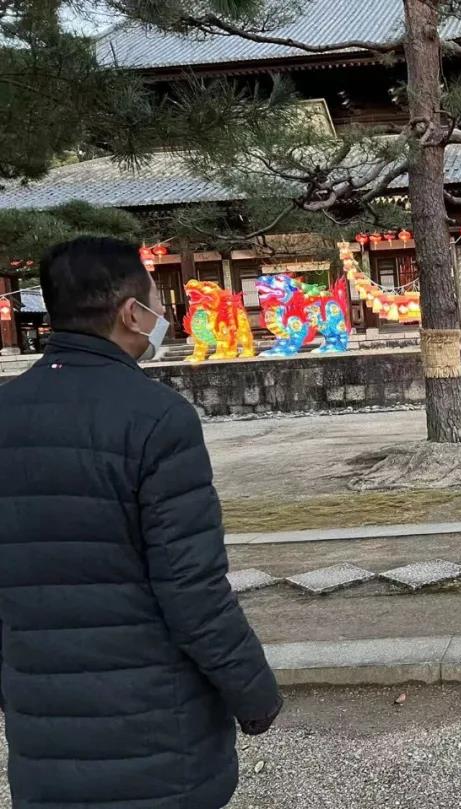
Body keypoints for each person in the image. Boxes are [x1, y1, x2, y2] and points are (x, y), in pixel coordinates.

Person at [0, 237, 282, 809]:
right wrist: (254, 694)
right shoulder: (158, 419)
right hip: (158, 730)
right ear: (132, 313)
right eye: (156, 302)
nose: (162, 317)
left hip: (44, 726)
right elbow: (192, 590)